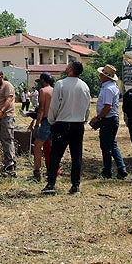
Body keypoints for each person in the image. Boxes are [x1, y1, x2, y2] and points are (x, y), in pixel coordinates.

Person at [42, 59, 91, 195]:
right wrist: (83, 120)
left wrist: (52, 121)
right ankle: (75, 185)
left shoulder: (61, 84)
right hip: (78, 124)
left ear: (70, 69)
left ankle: (51, 183)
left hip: (62, 123)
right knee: (77, 156)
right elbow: (87, 107)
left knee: (56, 155)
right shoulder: (84, 86)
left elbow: (54, 105)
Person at [90, 64, 127, 179]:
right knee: (112, 144)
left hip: (108, 120)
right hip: (111, 119)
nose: (99, 76)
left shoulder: (107, 88)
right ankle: (121, 168)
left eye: (101, 74)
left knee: (106, 146)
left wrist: (98, 117)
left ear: (106, 76)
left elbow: (107, 107)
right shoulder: (113, 86)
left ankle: (107, 171)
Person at [32, 73, 54, 182]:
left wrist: (37, 124)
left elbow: (41, 109)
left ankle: (37, 172)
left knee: (36, 147)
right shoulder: (55, 90)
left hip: (46, 121)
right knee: (52, 147)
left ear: (43, 81)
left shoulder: (43, 91)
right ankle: (52, 171)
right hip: (55, 121)